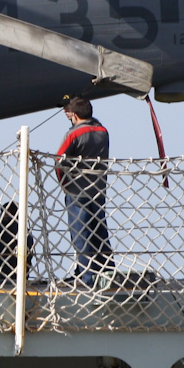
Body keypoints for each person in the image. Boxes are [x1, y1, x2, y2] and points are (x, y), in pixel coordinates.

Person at [56, 96, 114, 286]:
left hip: (77, 190)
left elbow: (59, 161)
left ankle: (86, 278)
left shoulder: (73, 134)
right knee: (99, 233)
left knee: (80, 235)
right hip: (98, 189)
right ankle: (108, 273)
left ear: (73, 115)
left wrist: (64, 183)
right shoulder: (103, 131)